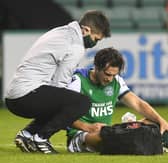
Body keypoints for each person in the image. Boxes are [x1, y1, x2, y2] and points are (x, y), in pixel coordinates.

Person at [5, 10, 111, 154]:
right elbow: (60, 84)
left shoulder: (60, 31)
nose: (94, 43)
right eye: (96, 39)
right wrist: (80, 122)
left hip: (13, 97)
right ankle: (41, 138)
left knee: (59, 100)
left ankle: (28, 134)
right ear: (86, 30)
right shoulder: (76, 45)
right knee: (81, 102)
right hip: (26, 96)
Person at [66, 47, 168, 153]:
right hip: (83, 134)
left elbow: (138, 104)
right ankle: (149, 143)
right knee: (108, 136)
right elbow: (63, 116)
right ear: (96, 67)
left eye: (114, 75)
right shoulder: (78, 81)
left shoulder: (116, 81)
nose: (110, 79)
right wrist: (88, 127)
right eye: (107, 74)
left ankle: (138, 140)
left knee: (153, 124)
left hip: (109, 131)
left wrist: (162, 121)